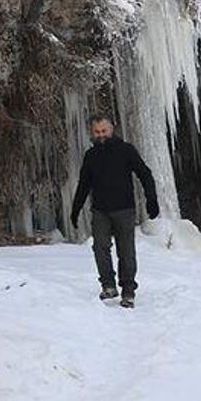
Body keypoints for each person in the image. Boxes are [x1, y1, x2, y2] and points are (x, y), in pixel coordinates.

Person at [69, 114, 159, 309]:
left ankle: (128, 291)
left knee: (126, 251)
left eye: (104, 131)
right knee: (100, 247)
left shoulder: (126, 150)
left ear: (112, 129)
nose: (101, 135)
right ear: (92, 133)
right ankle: (108, 285)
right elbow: (84, 185)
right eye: (97, 132)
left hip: (124, 209)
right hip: (100, 210)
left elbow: (145, 174)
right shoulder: (90, 156)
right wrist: (75, 210)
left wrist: (151, 199)